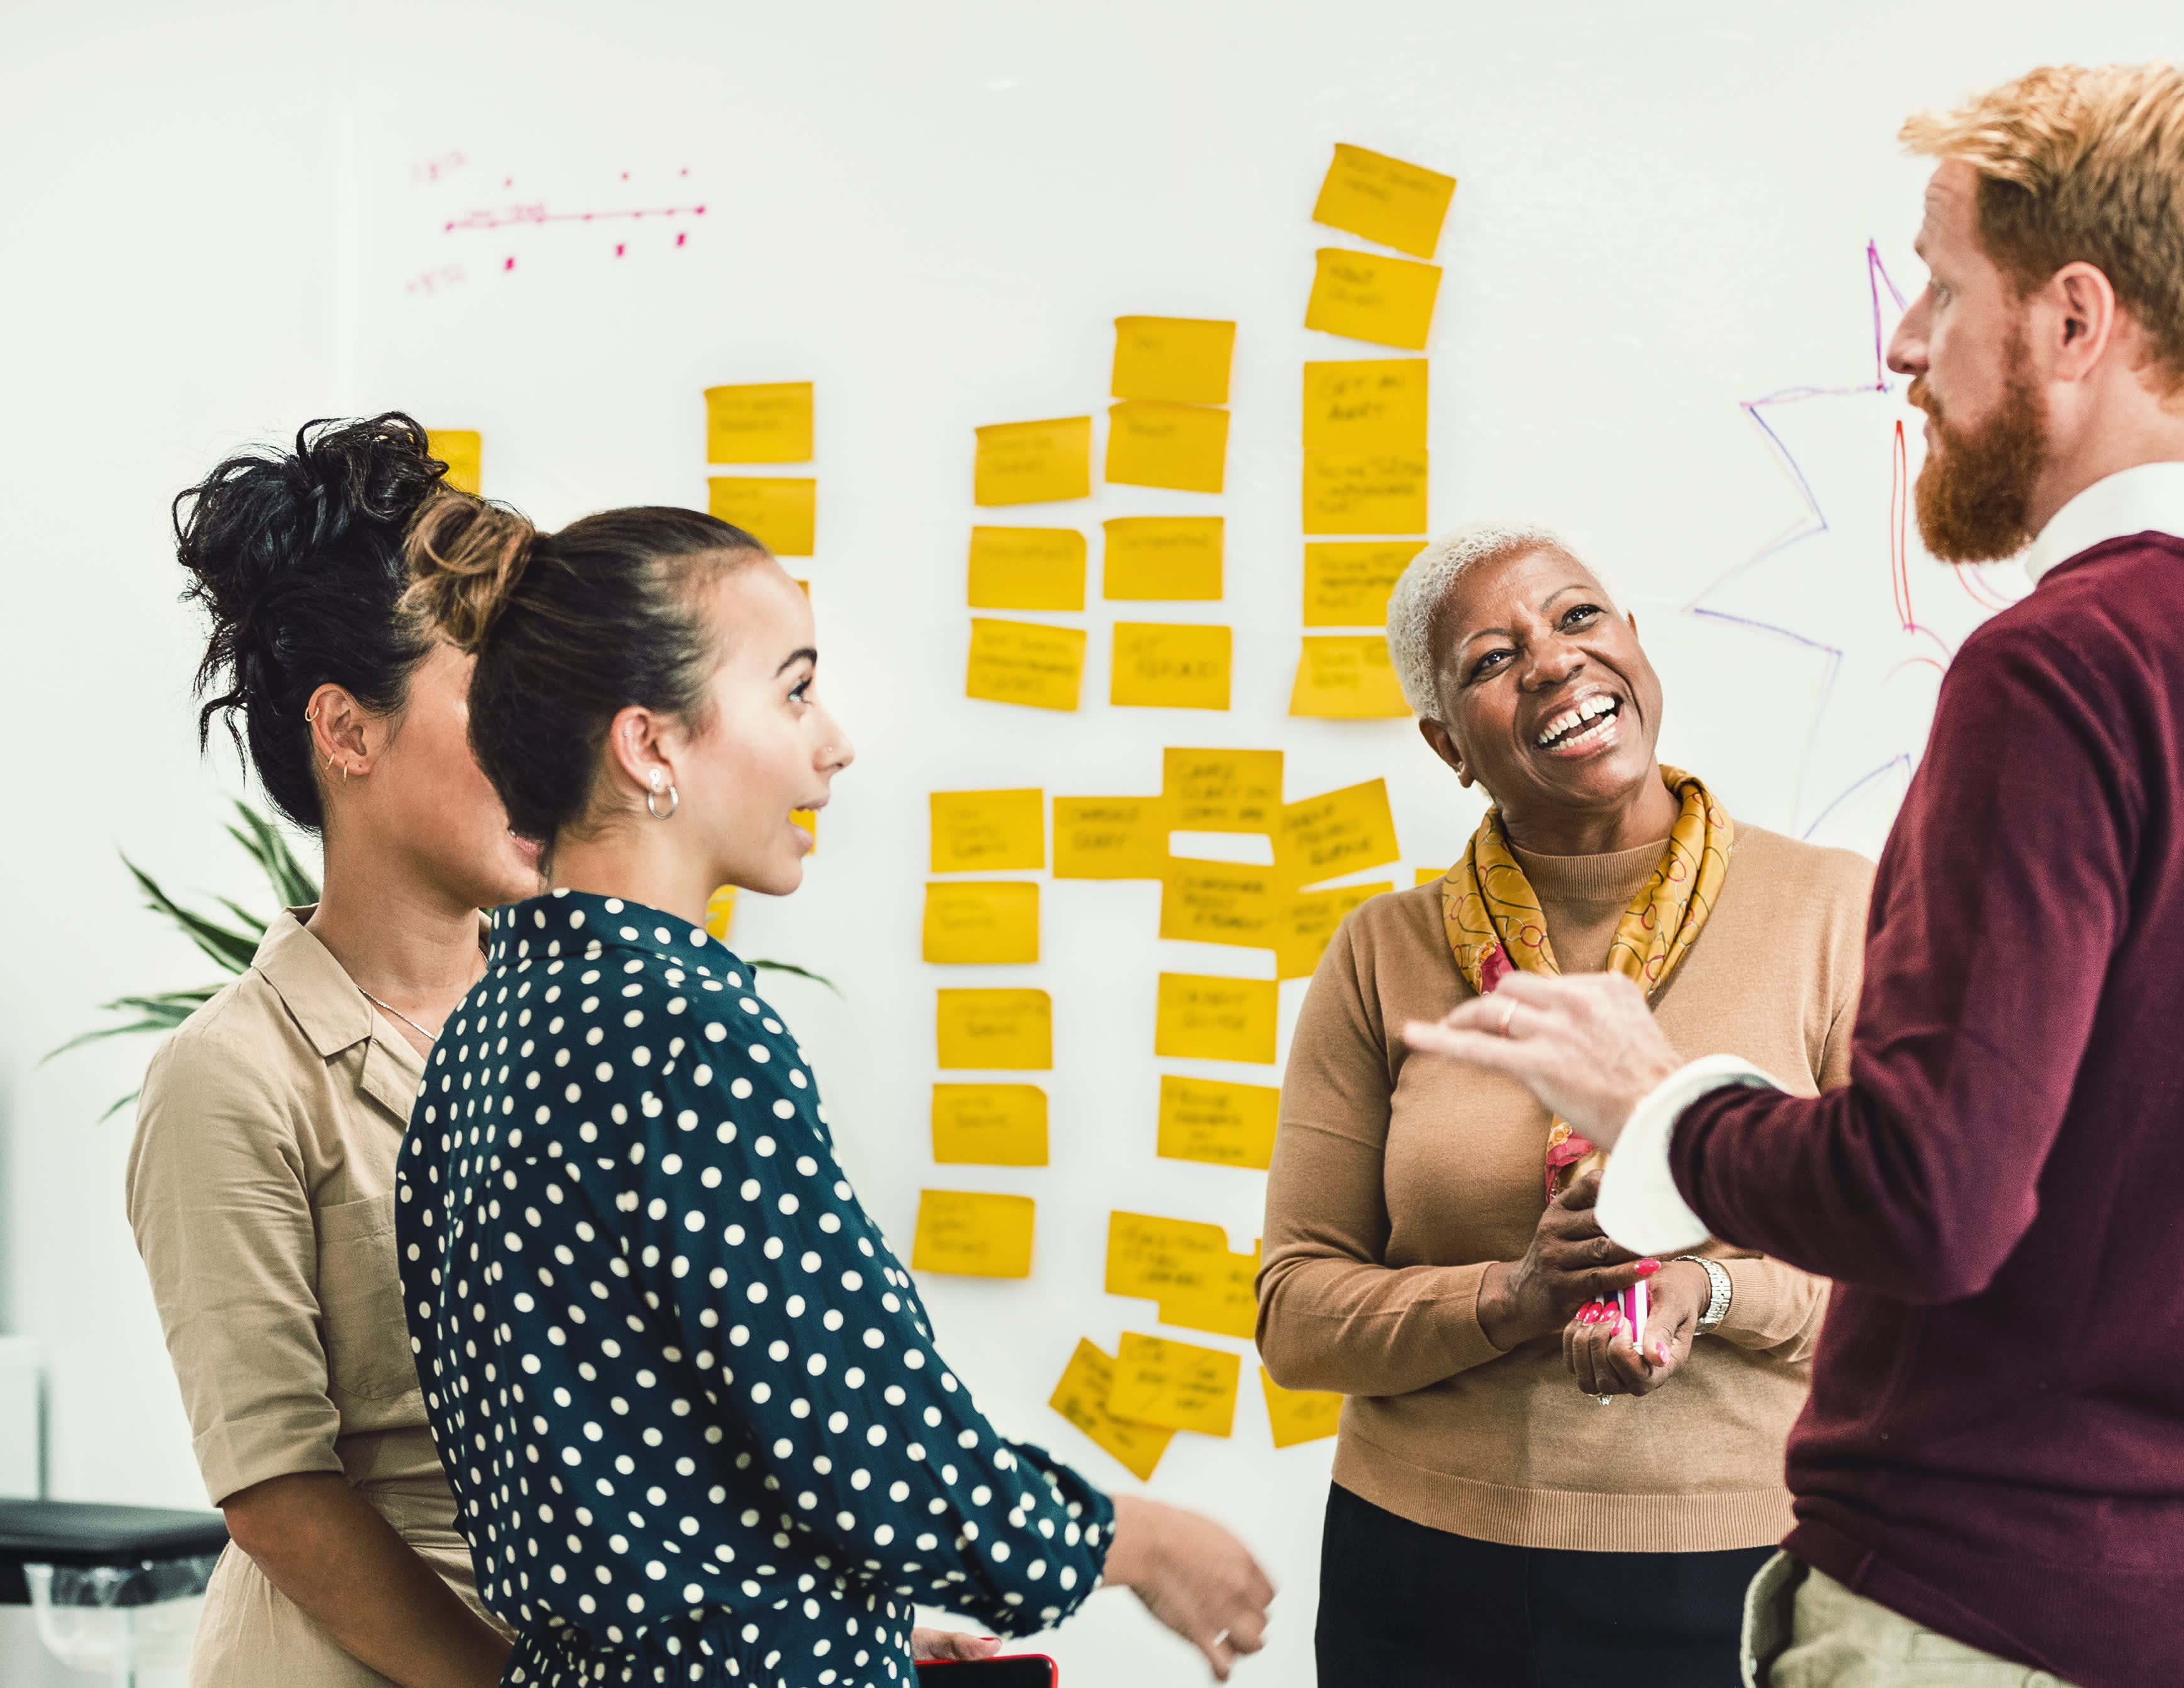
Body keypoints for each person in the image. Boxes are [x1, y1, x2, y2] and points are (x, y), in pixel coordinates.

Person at [1404, 64, 2184, 1688]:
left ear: (2072, 319)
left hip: (1974, 1608)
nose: (1901, 346)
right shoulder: (1383, 945)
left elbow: (1931, 1197)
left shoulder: (2060, 671)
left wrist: (1659, 1103)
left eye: (1938, 287)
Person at [391, 491, 1277, 1687]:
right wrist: (1131, 1538)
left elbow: (642, 1450)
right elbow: (867, 1442)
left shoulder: (490, 1024)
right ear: (651, 745)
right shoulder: (681, 1030)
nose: (834, 740)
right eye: (795, 689)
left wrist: (851, 1617)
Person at [1257, 521, 1865, 1687]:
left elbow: (1916, 1268)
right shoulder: (1382, 952)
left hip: (1737, 1567)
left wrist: (1710, 1285)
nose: (1551, 661)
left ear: (1635, 644)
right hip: (1420, 1573)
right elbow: (1297, 1309)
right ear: (1448, 746)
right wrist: (1516, 1298)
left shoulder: (1835, 911)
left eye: (1579, 617)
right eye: (1491, 658)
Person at [126, 415, 532, 1685]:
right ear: (346, 732)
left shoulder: (560, 1028)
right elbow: (278, 1495)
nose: (548, 747)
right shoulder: (229, 1078)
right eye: (499, 702)